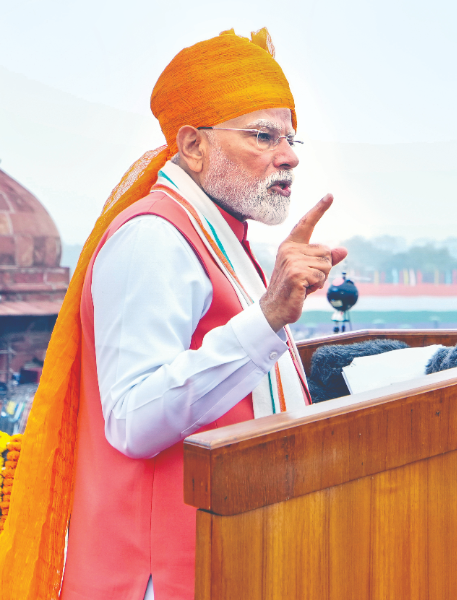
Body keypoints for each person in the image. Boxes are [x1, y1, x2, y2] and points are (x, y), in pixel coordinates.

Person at [0, 28, 345, 600]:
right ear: (192, 145)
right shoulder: (155, 240)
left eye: (290, 139)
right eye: (263, 136)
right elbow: (134, 420)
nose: (287, 157)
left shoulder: (221, 237)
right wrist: (265, 320)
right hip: (156, 578)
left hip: (228, 560)